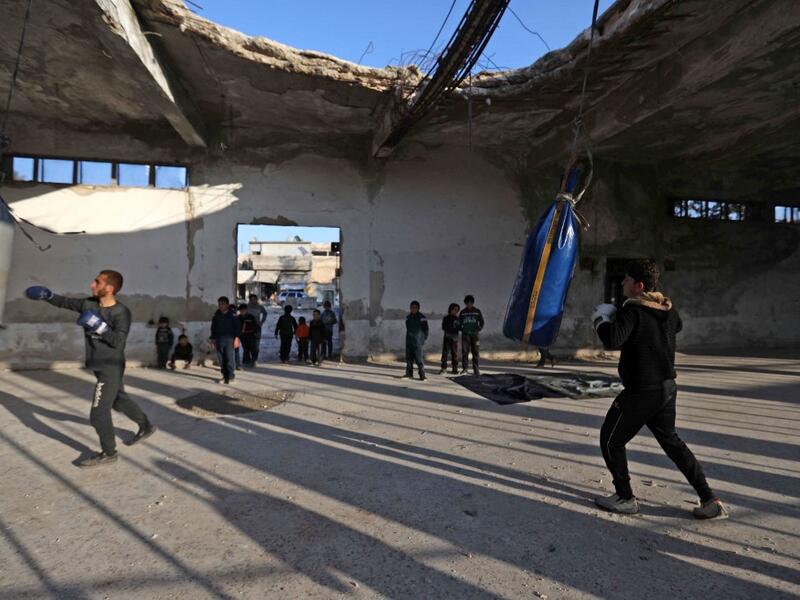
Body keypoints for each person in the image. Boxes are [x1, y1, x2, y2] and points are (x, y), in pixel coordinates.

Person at [591, 259, 726, 519]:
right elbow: (677, 325)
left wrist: (601, 320)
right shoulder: (666, 309)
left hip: (642, 391)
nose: (622, 283)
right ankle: (710, 499)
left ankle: (625, 497)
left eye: (627, 279)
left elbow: (613, 339)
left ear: (639, 286)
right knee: (672, 442)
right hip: (666, 387)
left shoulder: (633, 310)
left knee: (610, 439)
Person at [25, 270, 156, 468]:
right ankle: (146, 426)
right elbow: (65, 302)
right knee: (119, 400)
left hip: (110, 366)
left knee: (98, 414)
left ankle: (109, 453)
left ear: (109, 288)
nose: (92, 285)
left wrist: (97, 325)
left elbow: (118, 342)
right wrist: (48, 296)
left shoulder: (121, 312)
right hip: (97, 363)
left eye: (97, 282)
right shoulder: (89, 304)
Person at [210, 296, 240, 384]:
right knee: (221, 359)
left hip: (229, 340)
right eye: (219, 304)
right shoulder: (216, 315)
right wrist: (213, 338)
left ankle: (230, 377)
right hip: (219, 339)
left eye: (223, 304)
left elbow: (237, 328)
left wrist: (236, 338)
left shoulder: (233, 315)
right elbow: (213, 328)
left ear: (227, 305)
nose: (221, 306)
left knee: (229, 358)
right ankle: (224, 376)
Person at [403, 300, 428, 380]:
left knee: (418, 358)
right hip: (409, 340)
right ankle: (409, 374)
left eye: (415, 308)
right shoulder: (408, 317)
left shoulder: (422, 317)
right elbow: (408, 327)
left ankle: (422, 375)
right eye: (412, 307)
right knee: (409, 358)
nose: (413, 309)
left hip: (418, 341)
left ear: (418, 308)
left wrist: (423, 339)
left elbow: (426, 329)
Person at [459, 295, 484, 376]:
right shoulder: (463, 312)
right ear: (465, 303)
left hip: (475, 336)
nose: (469, 304)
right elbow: (459, 322)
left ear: (473, 303)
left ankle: (476, 369)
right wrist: (462, 329)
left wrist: (478, 329)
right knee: (465, 352)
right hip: (465, 335)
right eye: (467, 303)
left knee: (475, 352)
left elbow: (482, 322)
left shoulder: (477, 311)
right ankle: (465, 369)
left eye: (470, 303)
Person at [439, 303, 461, 375]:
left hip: (454, 338)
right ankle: (443, 368)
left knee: (454, 354)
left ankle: (455, 369)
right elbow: (444, 327)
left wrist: (455, 328)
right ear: (450, 309)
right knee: (445, 353)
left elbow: (459, 328)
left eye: (457, 310)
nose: (455, 311)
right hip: (447, 337)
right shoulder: (446, 318)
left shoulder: (457, 319)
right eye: (454, 309)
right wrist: (452, 328)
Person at [246, 294, 268, 365]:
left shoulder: (259, 306)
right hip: (248, 327)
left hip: (257, 327)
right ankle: (248, 359)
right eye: (251, 299)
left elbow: (265, 313)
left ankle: (254, 359)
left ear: (256, 299)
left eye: (254, 299)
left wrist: (262, 322)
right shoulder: (247, 306)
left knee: (256, 345)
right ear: (249, 300)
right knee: (249, 344)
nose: (253, 301)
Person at [237, 303, 259, 368]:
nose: (242, 312)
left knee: (253, 348)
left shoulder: (251, 317)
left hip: (251, 335)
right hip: (243, 335)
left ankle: (254, 360)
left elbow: (256, 326)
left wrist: (255, 333)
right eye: (241, 310)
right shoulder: (238, 318)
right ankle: (246, 361)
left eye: (243, 310)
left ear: (246, 310)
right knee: (245, 349)